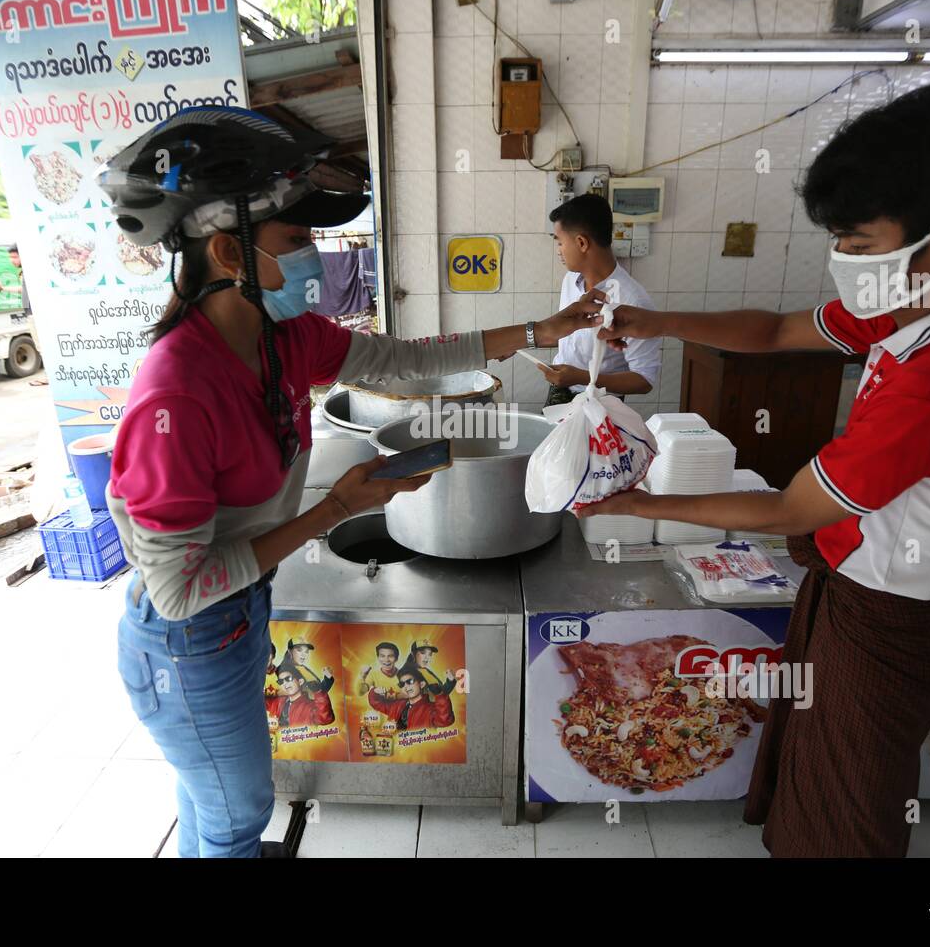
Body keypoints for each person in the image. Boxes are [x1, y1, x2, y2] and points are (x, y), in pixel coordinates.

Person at [104, 107, 599, 859]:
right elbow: (178, 588)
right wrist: (336, 508)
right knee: (238, 811)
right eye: (299, 241)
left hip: (238, 612)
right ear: (231, 251)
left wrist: (539, 331)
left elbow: (404, 360)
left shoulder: (283, 341)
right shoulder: (176, 395)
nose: (315, 258)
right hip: (185, 641)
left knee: (211, 794)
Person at [577, 83, 930, 857]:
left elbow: (790, 511)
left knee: (852, 805)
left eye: (857, 243)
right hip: (861, 579)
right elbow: (783, 328)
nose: (843, 261)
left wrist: (640, 500)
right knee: (819, 772)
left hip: (896, 613)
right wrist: (663, 321)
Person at [543, 193, 661, 407]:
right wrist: (522, 341)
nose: (558, 251)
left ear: (581, 243)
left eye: (560, 242)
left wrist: (582, 377)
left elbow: (644, 380)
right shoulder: (571, 280)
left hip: (601, 404)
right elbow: (567, 334)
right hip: (559, 392)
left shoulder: (632, 300)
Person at [367, 668, 454, 730]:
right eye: (402, 684)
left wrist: (440, 695)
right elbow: (376, 704)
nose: (406, 686)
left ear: (422, 684)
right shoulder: (397, 705)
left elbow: (445, 720)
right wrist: (375, 692)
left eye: (410, 681)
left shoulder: (430, 710)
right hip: (395, 752)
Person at [264, 666, 334, 728]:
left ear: (300, 681)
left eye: (289, 678)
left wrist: (318, 692)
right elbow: (258, 703)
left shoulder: (310, 707)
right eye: (281, 681)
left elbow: (325, 718)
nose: (285, 683)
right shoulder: (277, 702)